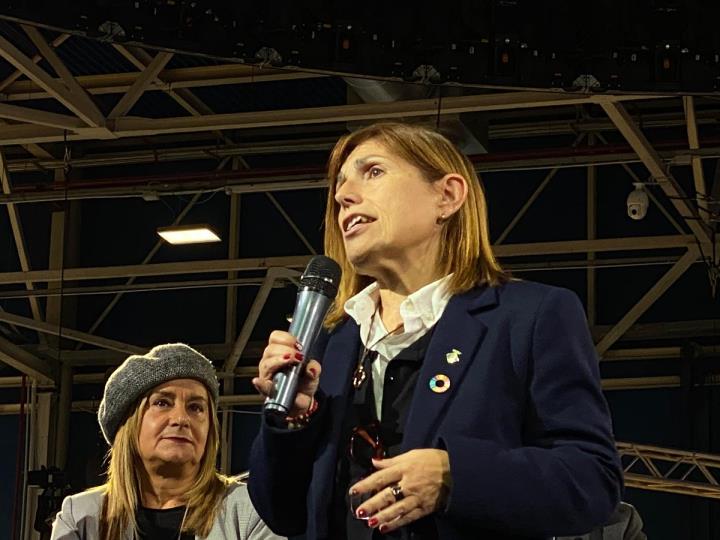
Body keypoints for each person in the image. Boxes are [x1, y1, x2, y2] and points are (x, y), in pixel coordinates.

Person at [249, 122, 623, 540]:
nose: (342, 195)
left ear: (446, 196)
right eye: (339, 187)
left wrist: (456, 476)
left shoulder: (530, 316)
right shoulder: (328, 342)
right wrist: (293, 421)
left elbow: (593, 481)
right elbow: (283, 514)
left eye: (372, 171)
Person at [51, 343, 284, 540]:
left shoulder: (251, 509)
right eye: (162, 403)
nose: (181, 419)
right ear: (128, 424)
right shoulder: (81, 516)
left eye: (196, 407)